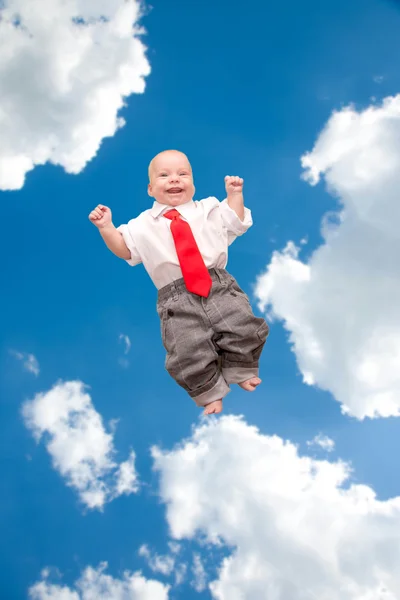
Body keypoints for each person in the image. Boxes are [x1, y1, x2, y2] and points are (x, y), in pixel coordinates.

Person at [88, 150, 269, 414]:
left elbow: (237, 221)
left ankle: (240, 369)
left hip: (217, 283)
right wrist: (106, 227)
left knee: (243, 326)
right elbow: (125, 249)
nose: (174, 179)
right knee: (186, 350)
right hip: (175, 299)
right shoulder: (141, 225)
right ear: (150, 189)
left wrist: (234, 195)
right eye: (165, 175)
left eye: (183, 174)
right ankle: (209, 392)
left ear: (193, 183)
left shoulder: (209, 208)